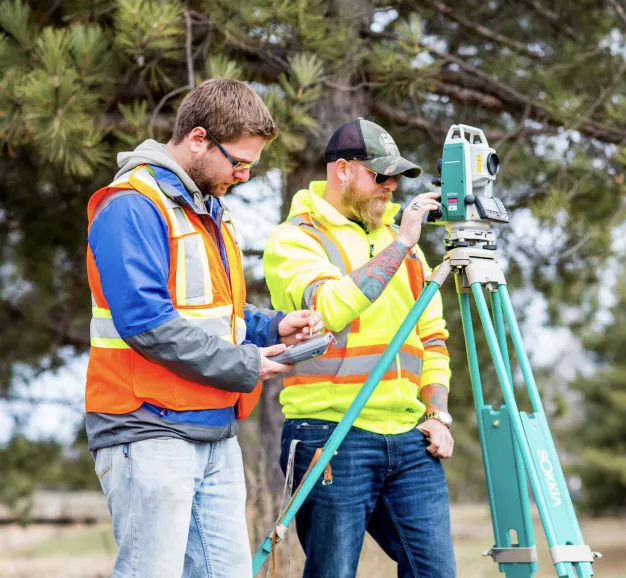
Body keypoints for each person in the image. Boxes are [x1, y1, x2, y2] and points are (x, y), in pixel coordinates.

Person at [85, 78, 324, 578]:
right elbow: (146, 323)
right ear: (197, 139)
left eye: (251, 166)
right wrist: (244, 364)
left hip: (212, 430)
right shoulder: (131, 204)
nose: (243, 175)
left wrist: (276, 327)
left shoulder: (208, 210)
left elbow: (218, 315)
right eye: (237, 161)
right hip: (146, 428)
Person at [262, 119, 455, 578]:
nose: (391, 187)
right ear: (343, 170)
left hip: (409, 441)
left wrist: (438, 414)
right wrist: (404, 242)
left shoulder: (402, 245)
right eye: (380, 175)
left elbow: (432, 336)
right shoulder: (295, 239)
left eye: (396, 178)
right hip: (330, 435)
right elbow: (328, 308)